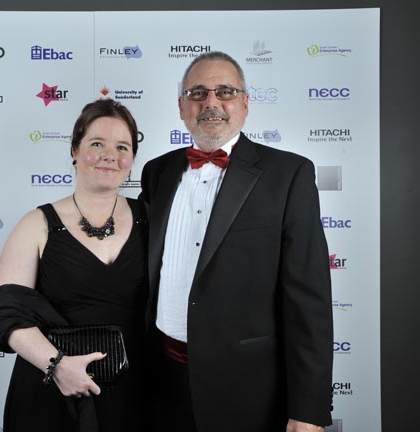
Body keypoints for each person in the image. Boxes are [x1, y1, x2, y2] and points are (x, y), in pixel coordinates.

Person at [139, 51, 333, 432]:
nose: (211, 102)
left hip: (249, 389)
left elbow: (309, 302)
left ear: (245, 103)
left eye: (225, 91)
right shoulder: (156, 172)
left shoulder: (289, 174)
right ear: (181, 107)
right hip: (162, 382)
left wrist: (308, 409)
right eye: (197, 93)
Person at [0, 99, 147, 432]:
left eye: (122, 147)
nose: (110, 155)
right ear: (74, 151)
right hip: (54, 394)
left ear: (132, 159)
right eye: (96, 144)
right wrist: (57, 366)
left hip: (137, 394)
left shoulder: (152, 217)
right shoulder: (37, 223)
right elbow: (3, 314)